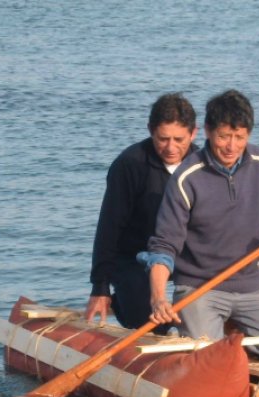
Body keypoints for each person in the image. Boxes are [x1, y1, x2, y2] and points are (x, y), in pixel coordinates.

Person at [139, 89, 259, 359]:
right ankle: (200, 341)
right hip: (200, 288)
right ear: (207, 131)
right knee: (208, 354)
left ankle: (235, 345)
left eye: (240, 137)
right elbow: (164, 246)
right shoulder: (186, 178)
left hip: (252, 287)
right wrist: (158, 298)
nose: (231, 146)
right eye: (224, 136)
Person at [85, 92, 198, 332]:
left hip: (183, 256)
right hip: (134, 257)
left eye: (179, 139)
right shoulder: (129, 164)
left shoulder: (201, 164)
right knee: (153, 323)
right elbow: (109, 228)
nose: (171, 147)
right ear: (150, 130)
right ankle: (123, 303)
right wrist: (100, 288)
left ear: (193, 133)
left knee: (197, 316)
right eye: (163, 138)